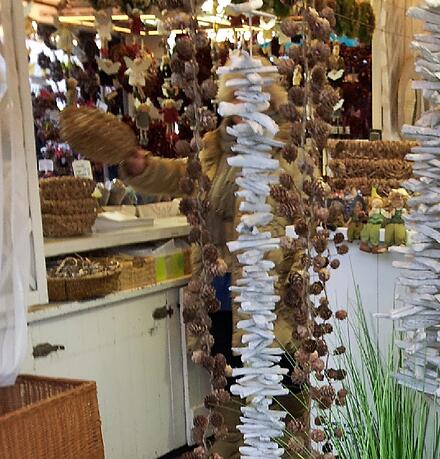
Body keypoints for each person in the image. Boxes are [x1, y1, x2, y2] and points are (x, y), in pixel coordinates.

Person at [65, 63, 306, 459]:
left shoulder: (285, 152)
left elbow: (304, 221)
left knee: (279, 381)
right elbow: (181, 174)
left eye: (252, 98)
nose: (243, 108)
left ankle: (288, 450)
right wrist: (143, 167)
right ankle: (232, 448)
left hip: (270, 296)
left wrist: (294, 274)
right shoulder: (213, 149)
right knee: (229, 378)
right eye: (235, 100)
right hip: (222, 293)